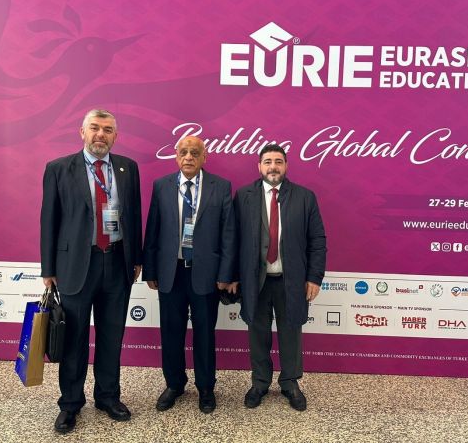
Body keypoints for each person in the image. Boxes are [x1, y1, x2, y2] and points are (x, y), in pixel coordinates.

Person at [40, 109, 142, 434]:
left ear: (115, 136)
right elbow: (49, 220)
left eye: (107, 130)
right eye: (95, 128)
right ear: (82, 132)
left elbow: (134, 215)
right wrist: (48, 268)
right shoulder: (59, 168)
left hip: (117, 263)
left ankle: (108, 397)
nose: (101, 135)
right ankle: (70, 403)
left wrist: (136, 258)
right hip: (75, 266)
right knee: (75, 339)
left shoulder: (128, 168)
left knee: (112, 337)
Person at [143, 136, 235, 414]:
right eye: (183, 152)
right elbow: (153, 229)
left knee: (204, 334)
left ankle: (206, 388)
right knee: (171, 332)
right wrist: (150, 269)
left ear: (204, 157)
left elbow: (228, 234)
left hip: (206, 274)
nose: (189, 157)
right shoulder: (162, 186)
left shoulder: (221, 186)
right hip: (171, 273)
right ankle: (174, 384)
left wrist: (226, 272)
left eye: (195, 153)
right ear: (176, 156)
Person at [234, 144, 326, 412]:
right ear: (259, 166)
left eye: (278, 161)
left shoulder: (305, 197)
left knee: (291, 332)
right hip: (255, 281)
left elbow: (317, 241)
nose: (272, 166)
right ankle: (260, 383)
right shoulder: (243, 196)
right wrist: (233, 276)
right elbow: (232, 238)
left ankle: (290, 383)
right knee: (257, 333)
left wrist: (314, 278)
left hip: (291, 280)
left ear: (286, 165)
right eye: (267, 161)